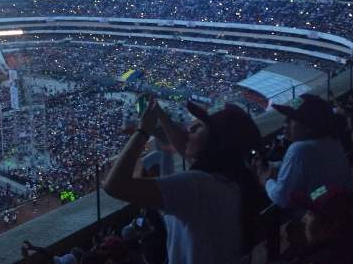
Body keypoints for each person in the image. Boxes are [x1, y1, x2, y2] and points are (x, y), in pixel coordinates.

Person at [104, 94, 267, 264]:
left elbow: (115, 185)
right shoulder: (231, 181)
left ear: (216, 143)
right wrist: (159, 113)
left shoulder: (196, 186)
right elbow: (185, 146)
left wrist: (142, 131)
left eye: (199, 127)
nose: (190, 129)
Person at [259, 94, 353, 210]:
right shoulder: (332, 141)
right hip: (337, 207)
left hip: (319, 218)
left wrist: (267, 181)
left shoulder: (299, 149)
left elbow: (282, 198)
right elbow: (324, 185)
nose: (285, 124)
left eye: (292, 119)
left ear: (309, 125)